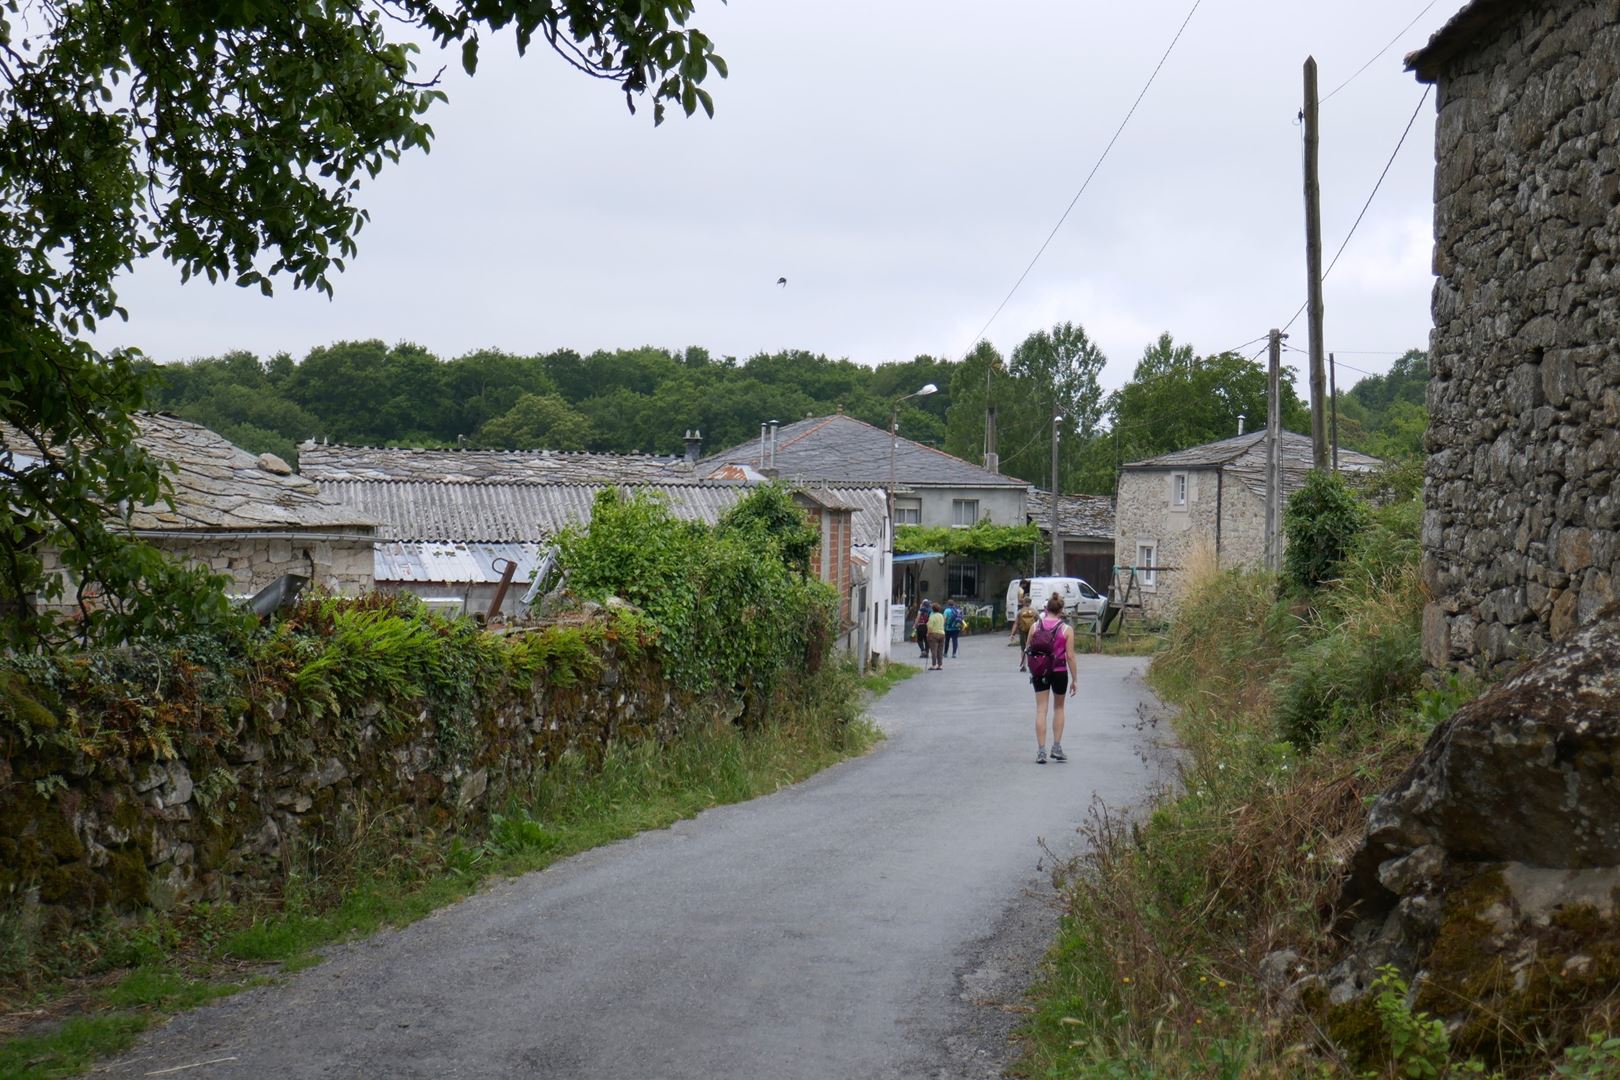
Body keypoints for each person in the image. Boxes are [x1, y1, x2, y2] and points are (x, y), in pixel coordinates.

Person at [1026, 592, 1077, 764]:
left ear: (1046, 609)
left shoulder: (1035, 626)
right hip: (1059, 671)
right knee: (1059, 708)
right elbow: (1070, 656)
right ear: (1061, 610)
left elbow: (1028, 648)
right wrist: (1075, 679)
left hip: (1040, 671)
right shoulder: (1066, 629)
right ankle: (1056, 747)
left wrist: (1033, 668)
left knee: (1041, 709)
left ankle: (1041, 751)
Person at [1010, 594, 1038, 672]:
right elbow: (1039, 622)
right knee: (1032, 648)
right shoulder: (1034, 611)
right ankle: (1032, 665)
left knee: (1023, 648)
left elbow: (1016, 623)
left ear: (1023, 603)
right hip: (1032, 631)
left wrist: (1013, 634)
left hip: (1022, 631)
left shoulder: (1020, 612)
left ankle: (1023, 665)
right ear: (1030, 603)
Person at [926, 603, 946, 669]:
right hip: (942, 634)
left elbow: (930, 627)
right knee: (940, 650)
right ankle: (940, 665)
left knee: (934, 650)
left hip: (934, 634)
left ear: (932, 609)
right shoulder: (941, 616)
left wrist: (928, 634)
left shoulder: (932, 617)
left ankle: (934, 665)